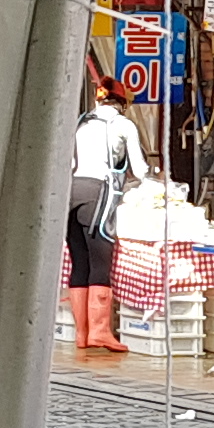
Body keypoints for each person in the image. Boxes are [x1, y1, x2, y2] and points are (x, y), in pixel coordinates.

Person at [68, 74, 149, 354]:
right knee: (101, 260)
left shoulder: (80, 122)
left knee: (80, 261)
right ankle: (101, 332)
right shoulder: (123, 124)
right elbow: (139, 170)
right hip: (98, 192)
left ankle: (82, 333)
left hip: (72, 190)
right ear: (122, 103)